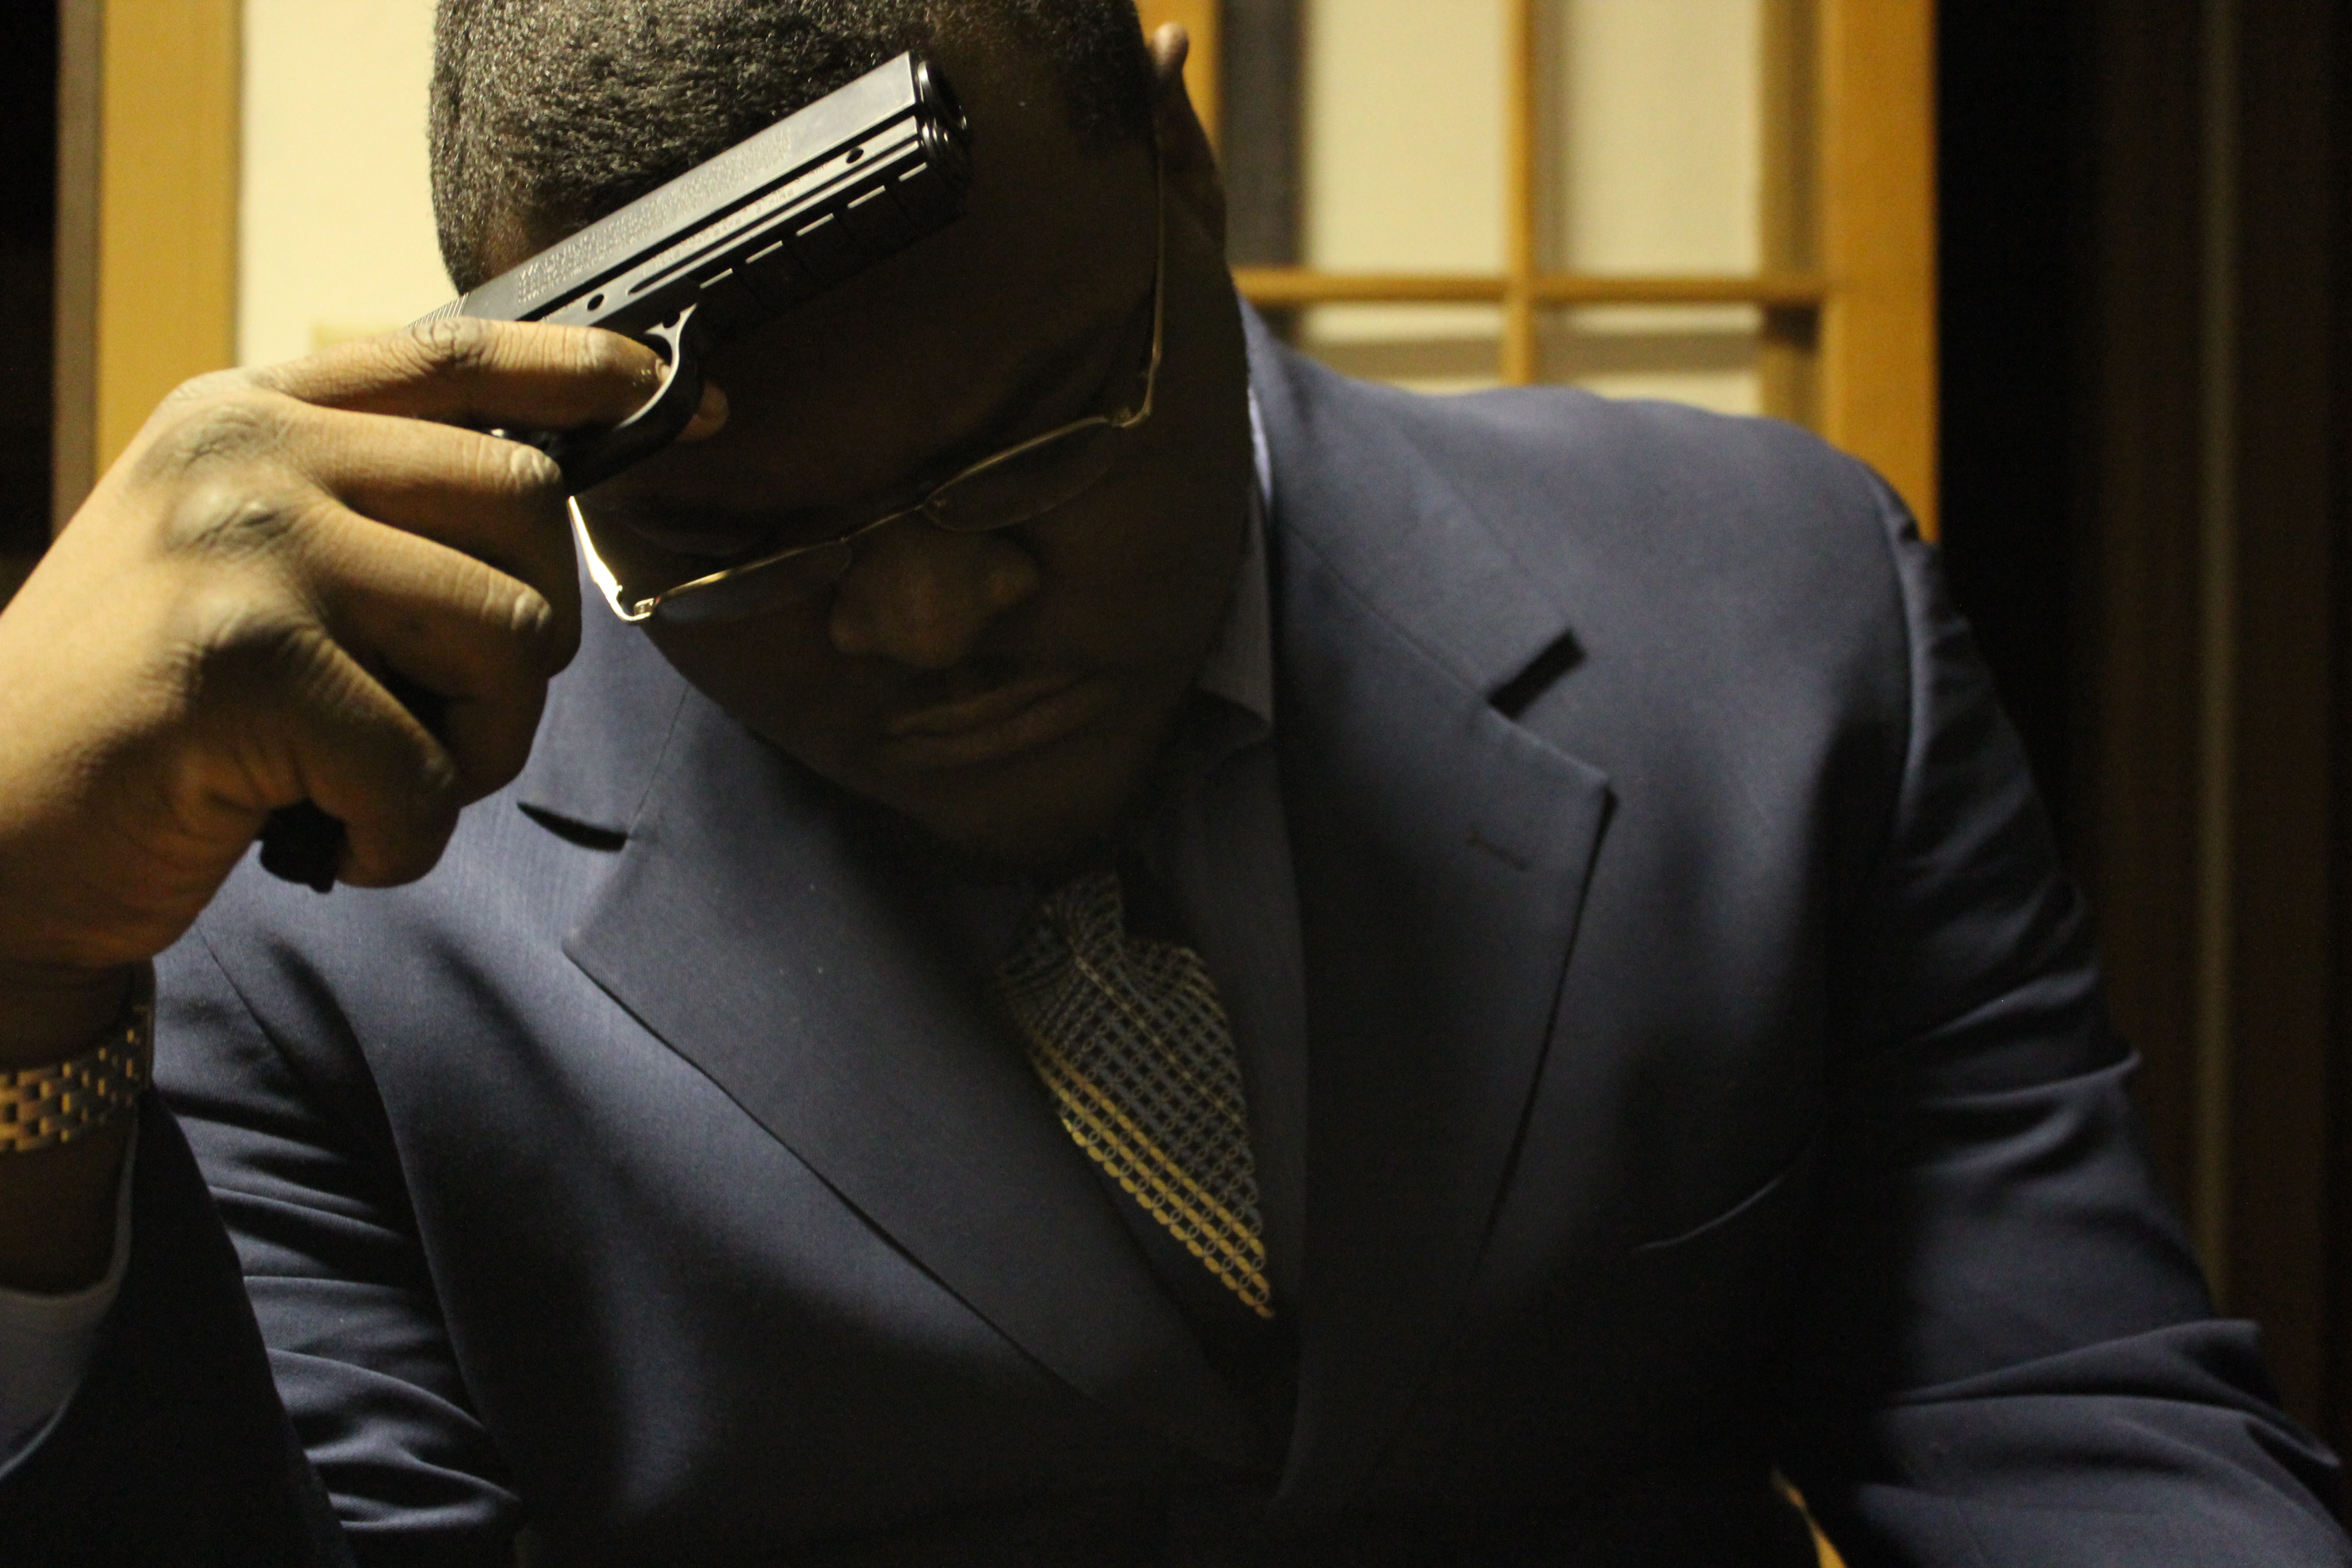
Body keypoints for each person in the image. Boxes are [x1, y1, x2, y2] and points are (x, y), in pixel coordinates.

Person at [0, 2, 2342, 1563]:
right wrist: (21, 971)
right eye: (741, 539)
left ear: (1185, 170)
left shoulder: (1773, 619)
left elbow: (2068, 1418)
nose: (932, 618)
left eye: (1039, 439)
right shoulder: (329, 895)